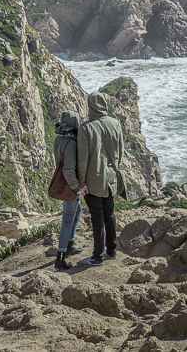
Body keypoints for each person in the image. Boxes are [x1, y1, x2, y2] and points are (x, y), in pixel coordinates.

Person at [75, 92, 126, 266]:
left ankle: (97, 257)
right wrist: (114, 169)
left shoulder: (86, 127)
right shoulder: (115, 123)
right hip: (111, 178)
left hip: (93, 179)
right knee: (109, 213)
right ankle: (111, 250)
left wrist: (81, 183)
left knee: (97, 217)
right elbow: (120, 151)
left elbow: (83, 159)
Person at [52, 110, 83, 270]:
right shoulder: (70, 143)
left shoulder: (59, 138)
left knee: (78, 212)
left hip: (65, 183)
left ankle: (69, 245)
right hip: (69, 185)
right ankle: (61, 258)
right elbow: (69, 169)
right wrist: (77, 188)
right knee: (67, 220)